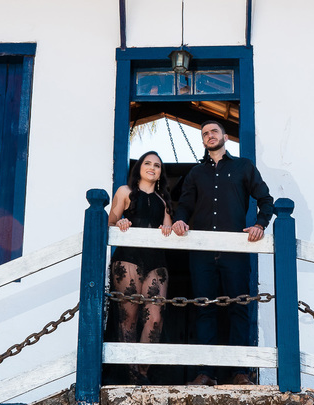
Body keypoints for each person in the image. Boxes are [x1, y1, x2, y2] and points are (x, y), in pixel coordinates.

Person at [172, 120, 274, 385]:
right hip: (202, 252)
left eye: (213, 131)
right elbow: (184, 205)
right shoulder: (195, 173)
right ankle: (206, 372)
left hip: (234, 251)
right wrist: (179, 220)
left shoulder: (244, 167)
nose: (209, 136)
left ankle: (240, 371)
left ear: (225, 137)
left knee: (239, 307)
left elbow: (266, 200)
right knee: (205, 309)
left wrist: (260, 224)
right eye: (205, 133)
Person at [108, 151, 174, 384]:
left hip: (156, 259)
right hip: (129, 258)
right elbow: (111, 220)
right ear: (139, 168)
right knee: (129, 316)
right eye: (147, 163)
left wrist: (171, 228)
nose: (152, 168)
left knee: (155, 318)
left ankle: (143, 371)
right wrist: (121, 221)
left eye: (157, 165)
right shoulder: (125, 192)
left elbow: (168, 232)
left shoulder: (164, 199)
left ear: (159, 173)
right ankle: (131, 373)